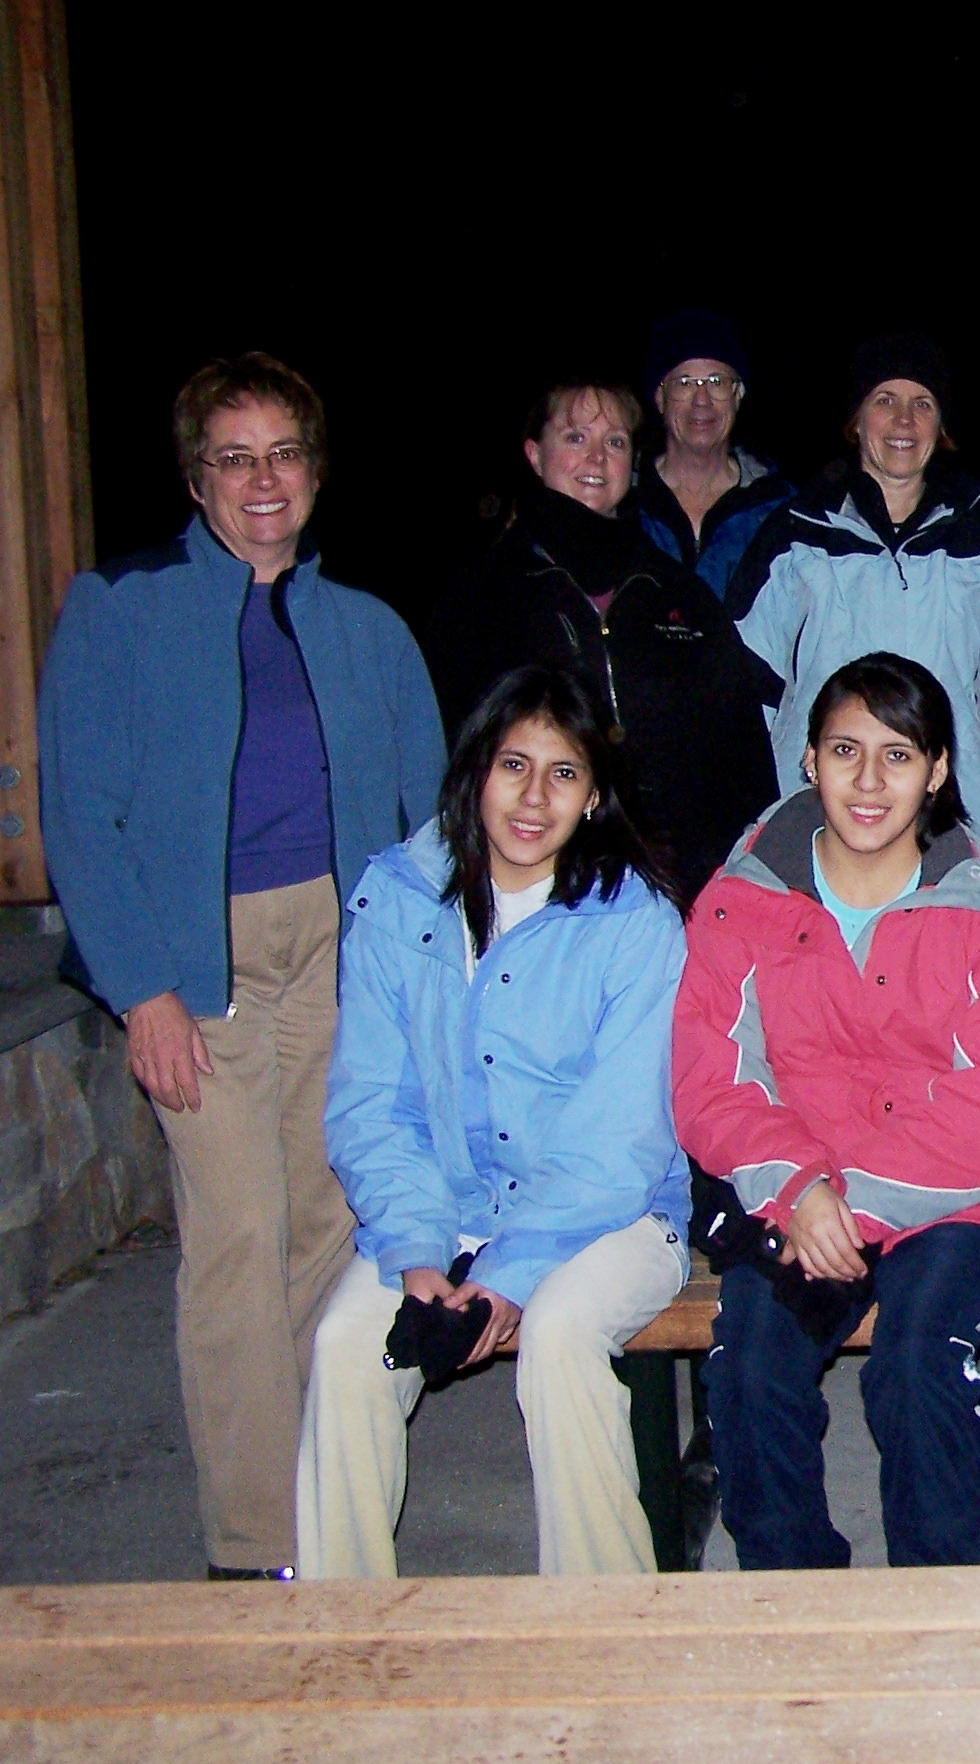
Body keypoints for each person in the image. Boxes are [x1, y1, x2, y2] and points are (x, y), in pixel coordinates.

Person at [36, 353, 445, 1581]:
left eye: (283, 454)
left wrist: (417, 978)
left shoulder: (368, 628)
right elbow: (81, 817)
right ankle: (255, 1547)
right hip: (195, 957)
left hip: (336, 945)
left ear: (313, 472)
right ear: (196, 479)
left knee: (328, 1221)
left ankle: (328, 1496)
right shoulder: (120, 609)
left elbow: (428, 819)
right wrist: (142, 990)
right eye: (234, 458)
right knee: (236, 1232)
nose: (262, 479)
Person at [297, 667, 693, 1577]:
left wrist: (507, 1278)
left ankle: (601, 1618)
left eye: (564, 773)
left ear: (594, 797)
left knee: (558, 1336)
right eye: (514, 765)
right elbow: (373, 1102)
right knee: (347, 1346)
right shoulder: (400, 897)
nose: (534, 797)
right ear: (476, 771)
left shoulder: (634, 923)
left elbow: (620, 1141)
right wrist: (418, 1256)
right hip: (446, 1208)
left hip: (610, 1217)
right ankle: (340, 1624)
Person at [674, 653, 980, 1567]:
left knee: (917, 1359)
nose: (871, 781)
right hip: (795, 1196)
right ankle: (798, 1593)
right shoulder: (742, 900)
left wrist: (843, 1206)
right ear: (809, 759)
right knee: (750, 1363)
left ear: (938, 770)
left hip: (955, 1203)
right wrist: (800, 1191)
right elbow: (712, 1083)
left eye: (899, 754)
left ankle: (943, 1589)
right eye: (846, 750)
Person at [423, 379, 774, 900]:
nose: (596, 457)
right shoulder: (478, 599)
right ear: (534, 454)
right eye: (575, 438)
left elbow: (742, 756)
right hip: (529, 883)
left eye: (614, 441)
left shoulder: (680, 595)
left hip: (676, 889)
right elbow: (447, 760)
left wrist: (747, 875)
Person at [731, 335, 980, 846]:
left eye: (923, 404)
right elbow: (748, 693)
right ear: (857, 419)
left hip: (951, 818)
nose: (904, 420)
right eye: (884, 401)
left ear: (941, 425)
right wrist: (756, 821)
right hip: (816, 817)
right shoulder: (796, 533)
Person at [626, 310, 794, 603]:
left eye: (716, 382)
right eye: (684, 382)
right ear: (660, 398)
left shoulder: (782, 509)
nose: (701, 400)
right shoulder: (624, 502)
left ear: (738, 395)